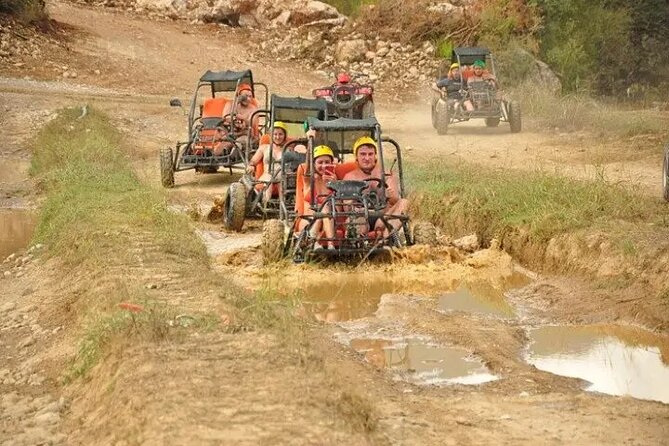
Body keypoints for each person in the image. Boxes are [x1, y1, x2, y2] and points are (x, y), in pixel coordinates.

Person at [342, 136, 408, 239]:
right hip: (361, 217)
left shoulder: (386, 174)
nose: (367, 158)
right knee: (358, 225)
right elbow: (346, 208)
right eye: (363, 154)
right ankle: (358, 243)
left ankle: (387, 239)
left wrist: (390, 195)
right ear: (356, 157)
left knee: (404, 202)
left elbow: (395, 201)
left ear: (375, 155)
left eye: (370, 154)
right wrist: (353, 205)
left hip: (384, 217)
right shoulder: (349, 177)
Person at [297, 145, 337, 250]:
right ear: (313, 164)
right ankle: (328, 244)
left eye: (327, 162)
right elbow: (307, 166)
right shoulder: (309, 178)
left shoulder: (334, 180)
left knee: (326, 209)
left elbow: (340, 204)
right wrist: (310, 138)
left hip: (329, 220)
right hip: (308, 219)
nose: (324, 166)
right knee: (323, 210)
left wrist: (334, 185)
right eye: (320, 162)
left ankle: (325, 244)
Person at [246, 121, 289, 204]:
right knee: (269, 178)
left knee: (282, 178)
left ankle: (283, 206)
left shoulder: (288, 149)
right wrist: (251, 166)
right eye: (275, 134)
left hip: (283, 176)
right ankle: (266, 203)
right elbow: (253, 161)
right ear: (271, 135)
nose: (277, 137)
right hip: (267, 176)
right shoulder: (264, 148)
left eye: (280, 134)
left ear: (284, 136)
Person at [214, 83, 259, 156]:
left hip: (246, 135)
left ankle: (234, 152)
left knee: (240, 141)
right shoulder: (230, 105)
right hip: (231, 134)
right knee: (220, 147)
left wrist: (244, 120)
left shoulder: (253, 109)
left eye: (250, 96)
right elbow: (225, 119)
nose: (248, 99)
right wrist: (234, 119)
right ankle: (216, 155)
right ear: (239, 96)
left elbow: (253, 124)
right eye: (245, 96)